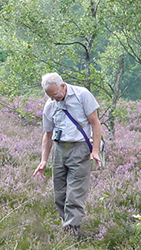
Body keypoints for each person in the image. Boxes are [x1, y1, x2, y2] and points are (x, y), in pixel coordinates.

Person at [33, 72, 102, 236]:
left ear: (63, 86)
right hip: (59, 149)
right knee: (59, 194)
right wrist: (43, 161)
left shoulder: (82, 95)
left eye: (55, 94)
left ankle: (72, 233)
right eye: (49, 96)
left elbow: (95, 123)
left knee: (75, 194)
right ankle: (68, 227)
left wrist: (95, 150)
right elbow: (48, 134)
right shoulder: (50, 105)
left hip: (80, 148)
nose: (53, 99)